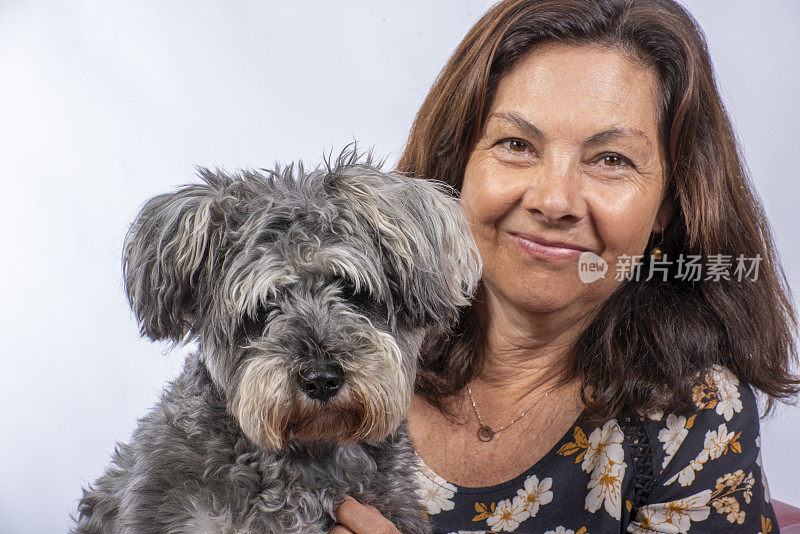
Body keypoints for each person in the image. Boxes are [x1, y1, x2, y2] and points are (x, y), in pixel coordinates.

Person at [332, 0, 799, 532]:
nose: (555, 201)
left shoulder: (696, 418)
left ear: (668, 207)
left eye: (611, 160)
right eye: (516, 144)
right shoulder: (323, 352)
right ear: (457, 164)